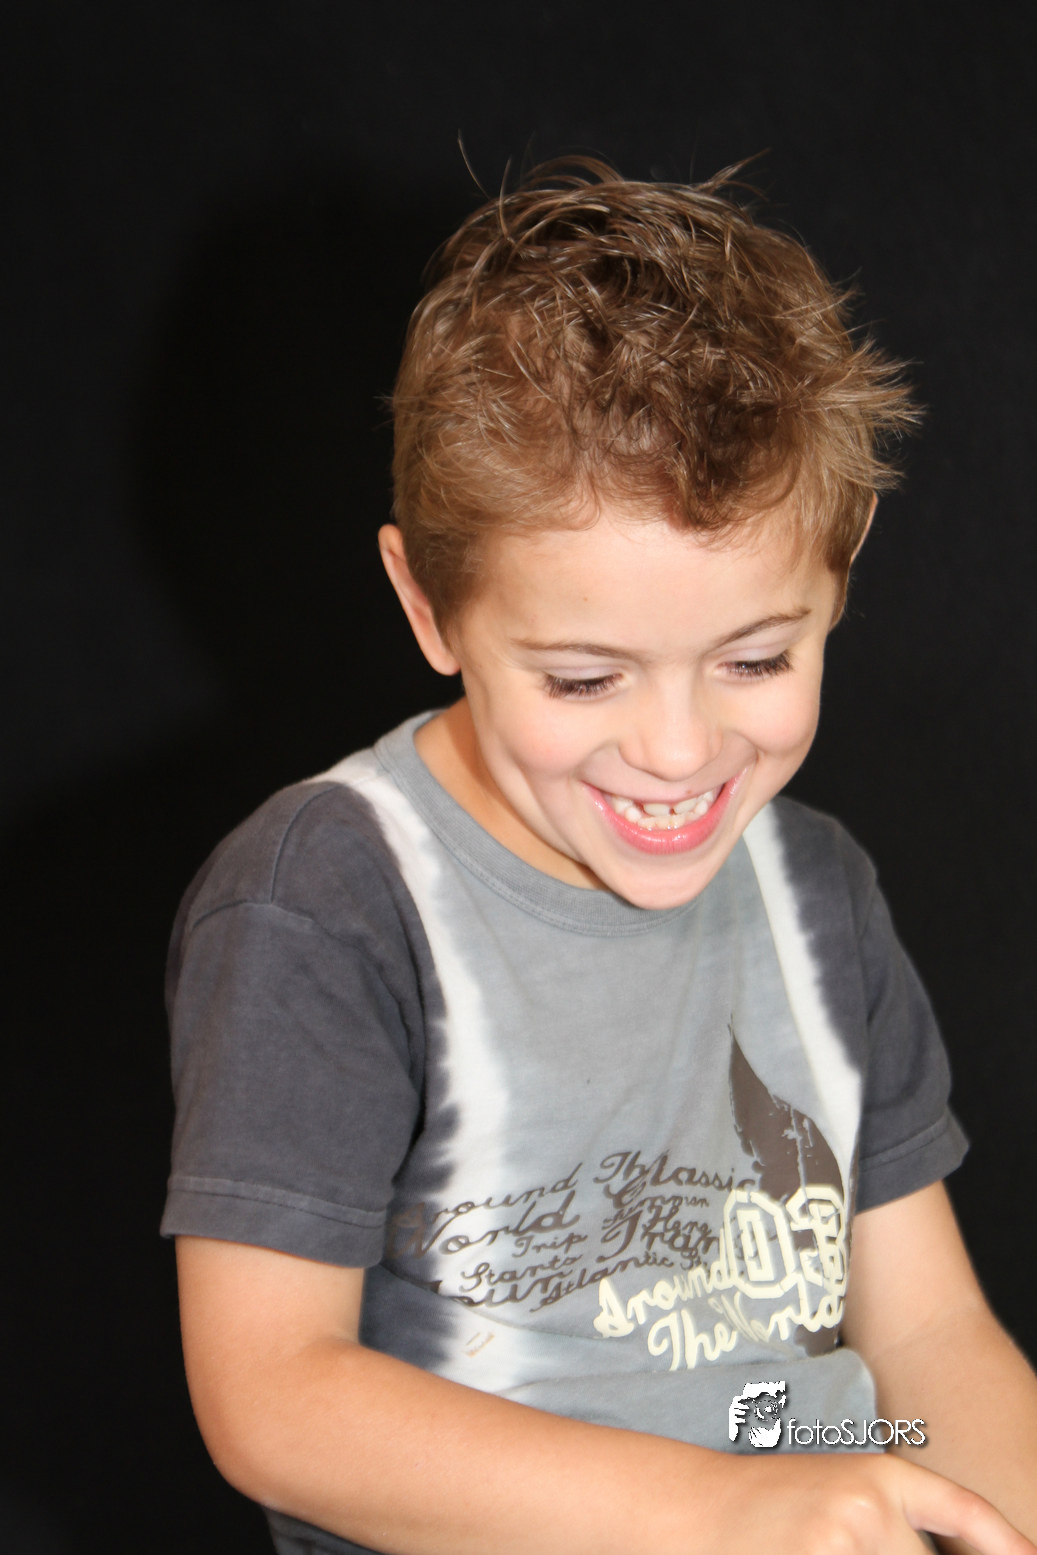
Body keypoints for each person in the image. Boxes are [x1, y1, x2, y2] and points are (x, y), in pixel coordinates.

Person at [162, 161, 1037, 1555]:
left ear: (840, 574)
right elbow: (275, 1397)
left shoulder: (818, 893)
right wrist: (726, 1507)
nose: (679, 752)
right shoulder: (327, 899)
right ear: (429, 605)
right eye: (584, 679)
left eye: (756, 659)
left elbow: (927, 1336)